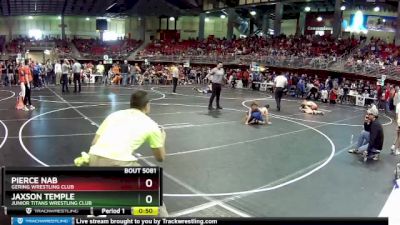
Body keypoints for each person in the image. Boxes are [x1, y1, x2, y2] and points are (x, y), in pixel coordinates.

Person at [83, 90, 168, 216]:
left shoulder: (114, 115)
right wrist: (162, 139)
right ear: (147, 105)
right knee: (152, 196)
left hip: (94, 157)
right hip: (119, 162)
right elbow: (160, 158)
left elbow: (94, 142)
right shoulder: (151, 124)